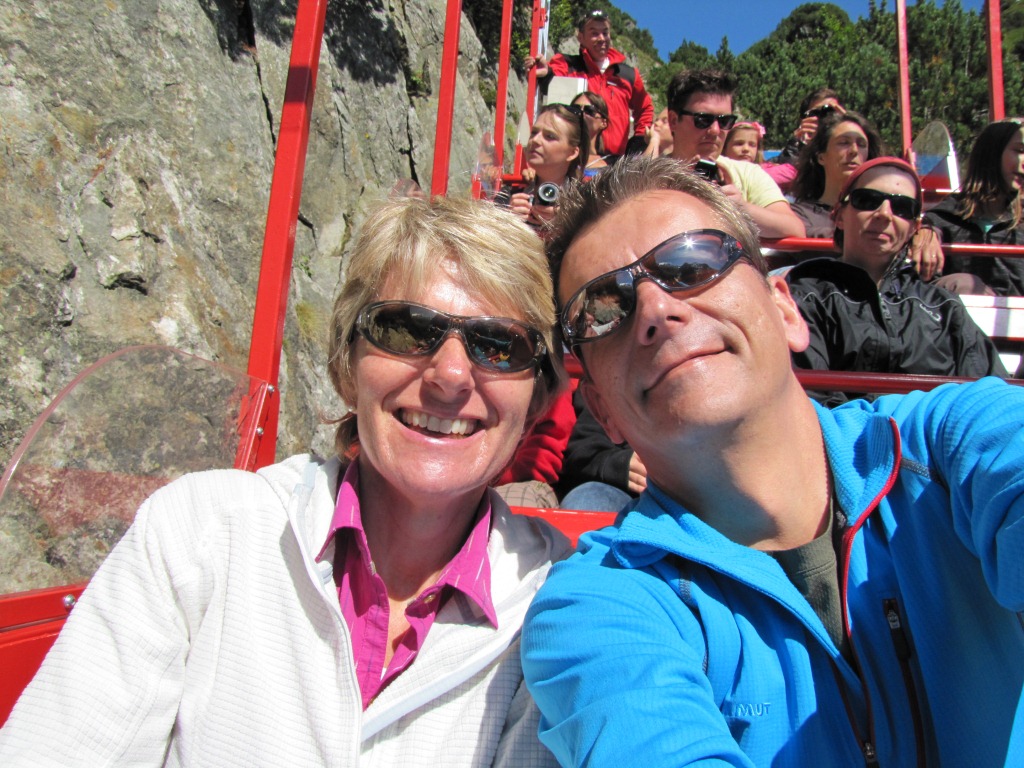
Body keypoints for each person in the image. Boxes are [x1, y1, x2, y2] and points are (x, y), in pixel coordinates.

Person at [0, 196, 571, 766]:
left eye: (500, 346)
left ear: (537, 398)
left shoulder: (555, 605)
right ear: (347, 366)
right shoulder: (200, 533)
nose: (450, 375)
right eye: (406, 329)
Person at [521, 155, 1024, 766]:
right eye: (603, 309)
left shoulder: (950, 446)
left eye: (691, 263)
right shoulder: (600, 605)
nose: (654, 311)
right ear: (602, 407)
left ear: (786, 311)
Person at [788, 157, 1007, 403]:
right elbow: (809, 398)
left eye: (902, 207)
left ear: (915, 227)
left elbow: (990, 396)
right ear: (838, 216)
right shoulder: (806, 297)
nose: (884, 214)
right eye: (867, 200)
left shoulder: (943, 307)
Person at [666, 68, 805, 239]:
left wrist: (739, 208)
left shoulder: (748, 173)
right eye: (703, 119)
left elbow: (795, 229)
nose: (715, 130)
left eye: (725, 121)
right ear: (673, 121)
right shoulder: (645, 176)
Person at [527, 9, 653, 157]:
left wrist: (639, 141)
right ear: (581, 37)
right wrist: (546, 74)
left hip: (615, 161)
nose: (601, 38)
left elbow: (645, 108)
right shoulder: (567, 64)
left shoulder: (628, 74)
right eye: (594, 33)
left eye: (605, 33)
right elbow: (552, 84)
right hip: (576, 157)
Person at [925, 119, 1024, 296]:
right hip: (957, 308)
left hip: (1013, 312)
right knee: (964, 284)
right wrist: (925, 232)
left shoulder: (1020, 223)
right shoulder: (944, 217)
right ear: (992, 153)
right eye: (1020, 151)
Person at [789, 110, 886, 238]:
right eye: (844, 142)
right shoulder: (798, 214)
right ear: (821, 157)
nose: (854, 151)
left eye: (861, 144)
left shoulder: (883, 211)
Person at [495, 103, 588, 233]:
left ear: (572, 153)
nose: (535, 140)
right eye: (534, 132)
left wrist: (565, 225)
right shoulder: (510, 193)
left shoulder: (585, 203)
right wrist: (507, 220)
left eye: (550, 136)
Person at [570, 91, 611, 177]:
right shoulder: (559, 155)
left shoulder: (612, 163)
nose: (581, 113)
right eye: (576, 108)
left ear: (603, 123)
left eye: (589, 110)